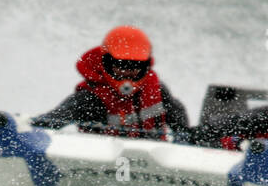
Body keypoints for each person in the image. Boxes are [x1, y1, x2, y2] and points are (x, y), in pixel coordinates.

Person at [31, 26, 194, 140]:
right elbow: (49, 123)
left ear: (145, 66)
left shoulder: (157, 90)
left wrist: (189, 137)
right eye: (121, 65)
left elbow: (180, 125)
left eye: (135, 66)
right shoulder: (88, 98)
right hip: (101, 167)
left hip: (155, 166)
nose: (128, 72)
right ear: (107, 63)